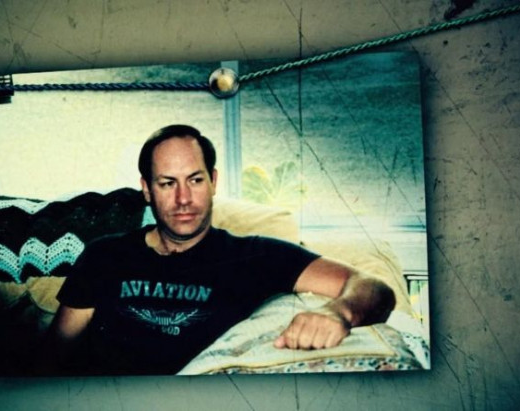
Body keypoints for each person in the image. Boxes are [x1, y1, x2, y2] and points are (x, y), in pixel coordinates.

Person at [45, 124, 395, 375]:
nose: (183, 198)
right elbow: (52, 356)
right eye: (167, 183)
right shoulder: (104, 255)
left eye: (195, 180)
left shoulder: (253, 256)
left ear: (213, 182)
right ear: (147, 190)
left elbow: (373, 286)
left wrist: (339, 313)